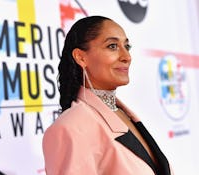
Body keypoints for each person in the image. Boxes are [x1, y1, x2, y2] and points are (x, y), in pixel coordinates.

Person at [42, 16, 174, 175]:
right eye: (112, 46)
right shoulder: (70, 128)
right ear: (81, 57)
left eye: (127, 46)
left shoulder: (125, 114)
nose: (127, 56)